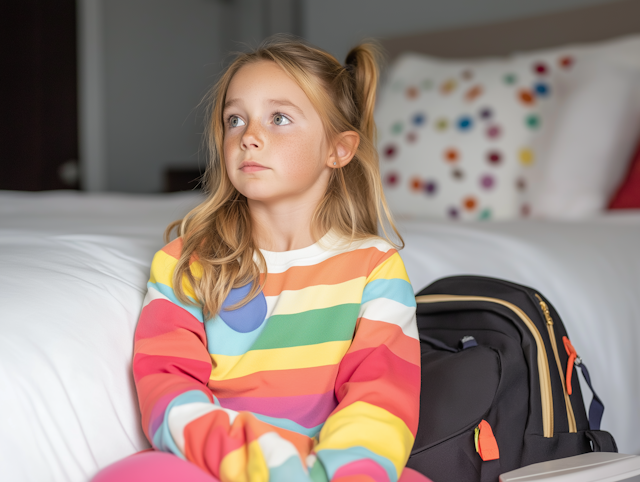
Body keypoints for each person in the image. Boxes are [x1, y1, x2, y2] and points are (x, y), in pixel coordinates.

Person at [93, 35, 428, 482]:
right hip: (221, 464)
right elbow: (167, 387)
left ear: (338, 149)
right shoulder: (184, 263)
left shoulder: (374, 267)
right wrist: (259, 462)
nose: (249, 136)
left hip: (333, 469)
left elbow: (382, 398)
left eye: (279, 118)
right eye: (235, 119)